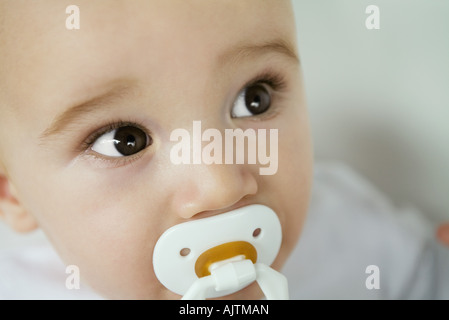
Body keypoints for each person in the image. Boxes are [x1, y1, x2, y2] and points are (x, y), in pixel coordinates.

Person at [0, 0, 447, 299]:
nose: (220, 185)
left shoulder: (349, 234)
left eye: (255, 98)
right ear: (13, 193)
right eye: (125, 140)